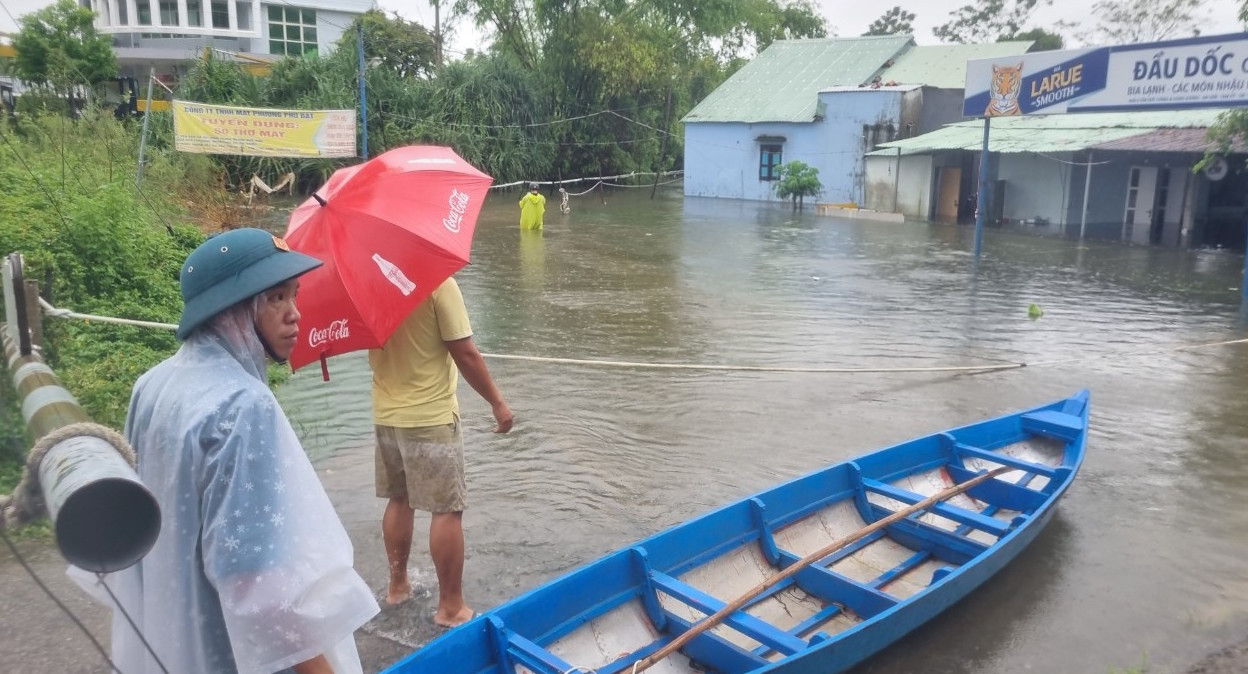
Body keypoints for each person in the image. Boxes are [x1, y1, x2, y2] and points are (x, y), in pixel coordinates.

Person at [73, 228, 379, 673]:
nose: (295, 315)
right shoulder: (242, 405)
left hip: (172, 634)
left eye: (294, 295)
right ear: (232, 308)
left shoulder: (153, 384)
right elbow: (258, 586)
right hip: (228, 650)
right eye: (275, 298)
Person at [369, 276, 513, 627]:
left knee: (399, 499)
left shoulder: (369, 284)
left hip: (386, 414)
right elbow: (465, 352)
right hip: (430, 416)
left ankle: (397, 586)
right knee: (447, 510)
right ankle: (451, 608)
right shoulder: (437, 283)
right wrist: (498, 404)